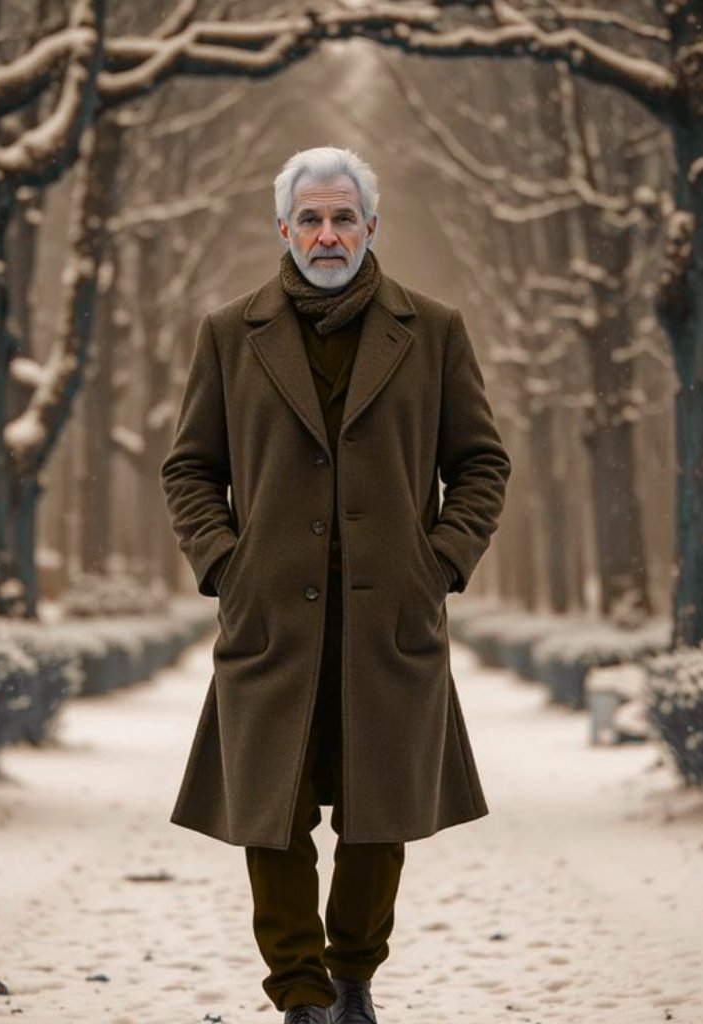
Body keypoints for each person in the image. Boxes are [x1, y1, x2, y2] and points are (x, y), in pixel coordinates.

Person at [160, 146, 512, 1024]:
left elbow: (481, 463)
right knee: (268, 817)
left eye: (343, 218)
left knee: (378, 812)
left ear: (371, 227)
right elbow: (190, 469)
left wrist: (439, 562)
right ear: (283, 229)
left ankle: (353, 975)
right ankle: (301, 993)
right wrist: (224, 563)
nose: (327, 234)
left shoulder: (433, 331)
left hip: (389, 619)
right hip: (270, 618)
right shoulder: (228, 332)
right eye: (310, 219)